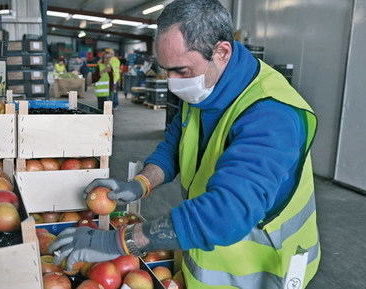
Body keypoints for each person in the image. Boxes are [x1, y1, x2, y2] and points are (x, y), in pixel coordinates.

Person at [48, 1, 320, 289]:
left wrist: (116, 241)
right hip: (206, 259)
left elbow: (227, 213)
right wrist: (139, 184)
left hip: (261, 272)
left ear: (222, 52)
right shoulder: (205, 88)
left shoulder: (272, 115)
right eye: (166, 70)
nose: (172, 83)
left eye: (181, 71)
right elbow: (174, 146)